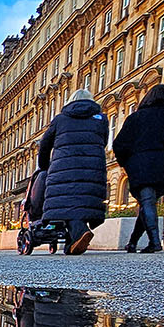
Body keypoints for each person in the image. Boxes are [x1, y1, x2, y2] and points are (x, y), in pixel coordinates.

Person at [112, 82, 164, 253]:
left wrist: (126, 163)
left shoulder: (135, 118)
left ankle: (155, 242)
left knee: (147, 201)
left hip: (140, 165)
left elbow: (119, 145)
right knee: (148, 202)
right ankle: (133, 242)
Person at [37, 87, 108, 254]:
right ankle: (72, 243)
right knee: (83, 200)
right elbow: (103, 141)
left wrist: (44, 166)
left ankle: (80, 231)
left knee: (67, 201)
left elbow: (45, 144)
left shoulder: (60, 119)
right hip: (92, 167)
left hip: (63, 168)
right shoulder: (101, 119)